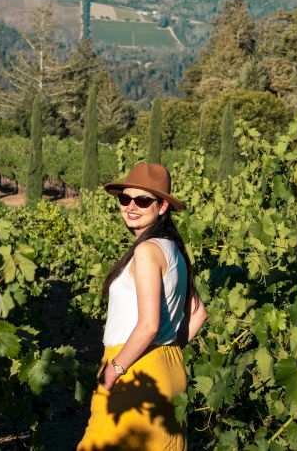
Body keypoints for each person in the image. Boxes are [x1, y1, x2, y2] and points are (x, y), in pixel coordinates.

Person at [77, 162, 208, 451]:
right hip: (167, 367)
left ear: (162, 207)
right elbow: (199, 312)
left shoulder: (147, 251)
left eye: (143, 200)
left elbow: (148, 325)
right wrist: (168, 347)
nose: (131, 206)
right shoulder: (173, 248)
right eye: (126, 198)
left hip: (134, 369)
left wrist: (113, 370)